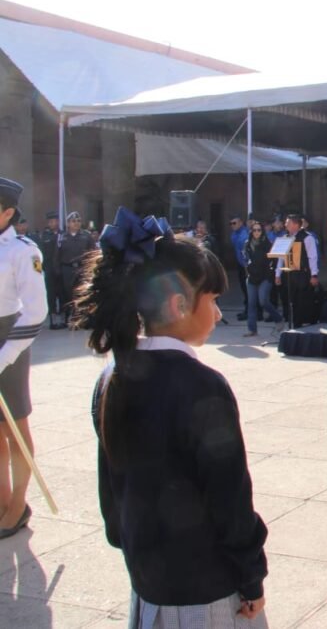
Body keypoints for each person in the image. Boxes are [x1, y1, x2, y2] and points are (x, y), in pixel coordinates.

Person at [73, 207, 269, 626]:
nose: (217, 314)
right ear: (180, 304)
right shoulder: (202, 385)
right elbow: (229, 496)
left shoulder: (112, 376)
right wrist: (251, 575)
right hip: (207, 587)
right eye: (213, 300)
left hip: (148, 579)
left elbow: (111, 486)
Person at [0, 177, 47, 539]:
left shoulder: (23, 251)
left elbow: (35, 312)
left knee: (15, 425)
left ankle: (18, 504)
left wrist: (4, 357)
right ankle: (1, 497)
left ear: (7, 212)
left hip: (10, 340)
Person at [274, 213, 320, 327]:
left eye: (288, 223)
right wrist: (277, 274)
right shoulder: (285, 238)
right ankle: (292, 323)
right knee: (289, 301)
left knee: (301, 301)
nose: (285, 225)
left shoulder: (307, 237)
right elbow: (281, 257)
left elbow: (312, 257)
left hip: (302, 274)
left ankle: (300, 324)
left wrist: (314, 274)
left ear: (295, 224)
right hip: (288, 274)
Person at [242, 222, 283, 337]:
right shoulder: (247, 244)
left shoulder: (267, 243)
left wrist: (273, 274)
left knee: (263, 301)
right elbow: (244, 258)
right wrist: (247, 269)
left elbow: (274, 260)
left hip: (265, 277)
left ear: (262, 231)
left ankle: (278, 318)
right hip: (252, 277)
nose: (256, 232)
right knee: (251, 304)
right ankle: (252, 329)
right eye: (254, 230)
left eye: (259, 230)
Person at [57, 211, 94, 325]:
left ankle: (82, 318)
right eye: (73, 221)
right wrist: (57, 270)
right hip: (67, 269)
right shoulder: (61, 237)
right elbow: (57, 255)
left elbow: (92, 252)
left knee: (82, 293)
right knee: (69, 294)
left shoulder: (86, 236)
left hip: (82, 268)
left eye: (78, 221)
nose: (76, 223)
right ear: (68, 223)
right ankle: (70, 317)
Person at [37, 212, 63, 329]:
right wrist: (39, 270)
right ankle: (53, 320)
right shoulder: (44, 236)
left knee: (62, 293)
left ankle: (63, 318)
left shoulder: (63, 234)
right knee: (51, 294)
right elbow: (38, 254)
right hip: (49, 268)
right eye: (52, 221)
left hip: (61, 268)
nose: (54, 223)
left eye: (56, 221)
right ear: (48, 223)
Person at [229, 214, 249, 320]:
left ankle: (249, 312)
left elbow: (245, 252)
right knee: (244, 288)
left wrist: (246, 267)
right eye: (231, 223)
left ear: (241, 223)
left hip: (245, 265)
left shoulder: (244, 234)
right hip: (240, 264)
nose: (232, 225)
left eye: (234, 223)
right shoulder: (235, 234)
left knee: (247, 289)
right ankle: (247, 310)